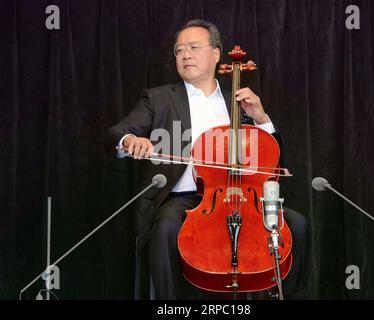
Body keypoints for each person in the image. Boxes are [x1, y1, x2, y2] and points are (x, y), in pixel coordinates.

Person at [106, 19, 308, 300]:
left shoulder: (238, 103)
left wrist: (262, 119)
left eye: (194, 47)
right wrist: (130, 141)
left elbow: (272, 159)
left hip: (239, 197)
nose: (185, 55)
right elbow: (119, 132)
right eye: (179, 50)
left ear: (216, 54)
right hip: (184, 199)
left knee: (296, 225)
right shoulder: (160, 98)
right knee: (165, 229)